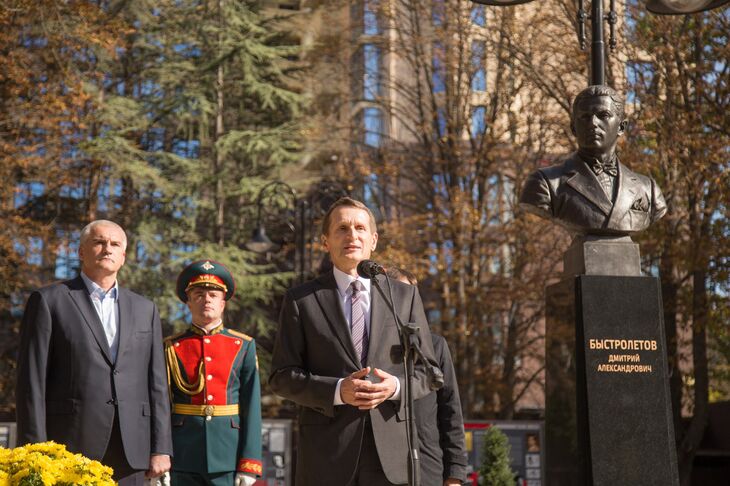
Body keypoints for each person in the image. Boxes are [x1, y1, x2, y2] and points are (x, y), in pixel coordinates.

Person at [269, 197, 439, 485]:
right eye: (342, 229)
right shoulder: (302, 300)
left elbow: (429, 372)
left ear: (373, 240)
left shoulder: (403, 296)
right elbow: (281, 377)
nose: (352, 235)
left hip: (391, 457)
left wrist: (395, 387)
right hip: (326, 456)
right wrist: (337, 390)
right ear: (326, 242)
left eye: (360, 228)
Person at [15, 220, 172, 485]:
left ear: (123, 256)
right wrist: (35, 451)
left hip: (133, 451)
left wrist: (161, 447)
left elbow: (156, 383)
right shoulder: (49, 301)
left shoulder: (145, 309)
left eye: (115, 244)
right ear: (81, 252)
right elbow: (31, 382)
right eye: (99, 242)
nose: (107, 249)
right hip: (69, 448)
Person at [519, 85, 667, 235]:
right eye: (585, 116)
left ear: (621, 127)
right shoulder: (545, 183)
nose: (593, 123)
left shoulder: (648, 189)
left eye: (603, 115)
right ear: (573, 128)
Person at [164, 260, 262, 486]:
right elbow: (161, 406)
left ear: (223, 303)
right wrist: (160, 456)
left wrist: (249, 463)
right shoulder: (171, 347)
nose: (206, 299)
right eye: (198, 294)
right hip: (182, 454)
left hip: (228, 455)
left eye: (213, 295)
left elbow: (252, 405)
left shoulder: (243, 345)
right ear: (188, 302)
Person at [386, 267, 468, 486]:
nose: (409, 301)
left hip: (427, 469)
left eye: (413, 295)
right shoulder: (367, 347)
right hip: (379, 470)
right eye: (402, 293)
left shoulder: (435, 345)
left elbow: (451, 411)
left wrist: (455, 474)